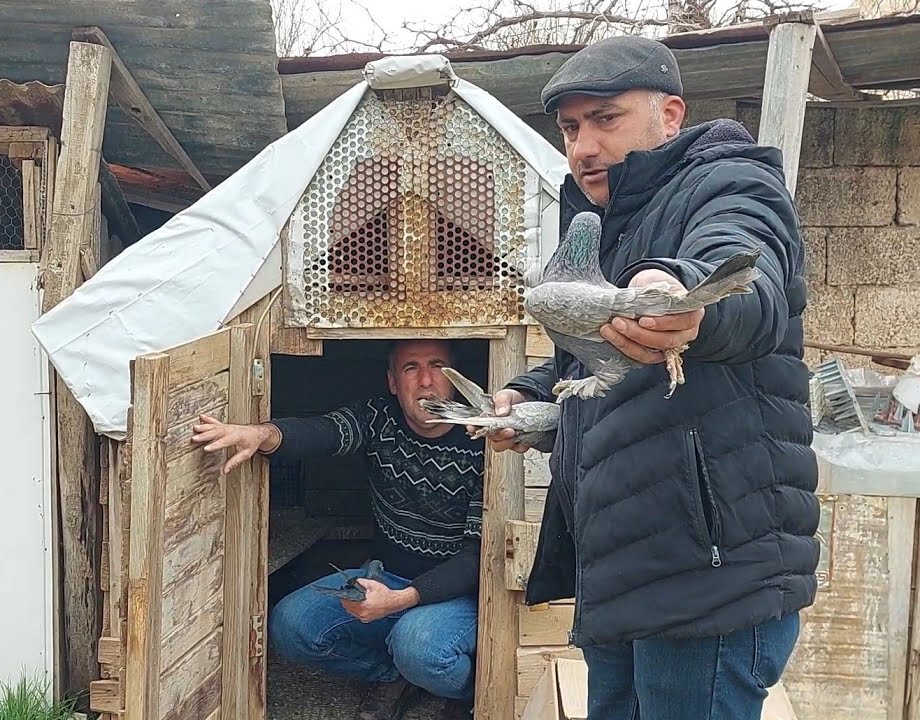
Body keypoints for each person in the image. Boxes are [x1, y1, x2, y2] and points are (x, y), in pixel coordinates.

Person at [485, 35, 820, 720]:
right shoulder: (605, 222)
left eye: (605, 119)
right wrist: (533, 396)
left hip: (707, 576)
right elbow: (595, 355)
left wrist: (684, 298)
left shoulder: (729, 180)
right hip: (621, 566)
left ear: (670, 116)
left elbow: (743, 274)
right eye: (572, 128)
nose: (582, 147)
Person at [191, 339, 484, 720]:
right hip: (385, 577)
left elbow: (477, 556)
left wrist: (402, 600)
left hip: (456, 595)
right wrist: (263, 435)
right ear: (393, 383)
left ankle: (468, 687)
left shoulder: (481, 439)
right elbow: (324, 431)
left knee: (419, 645)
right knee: (291, 626)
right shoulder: (380, 419)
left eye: (438, 366)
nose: (426, 380)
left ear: (456, 380)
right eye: (411, 368)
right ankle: (400, 675)